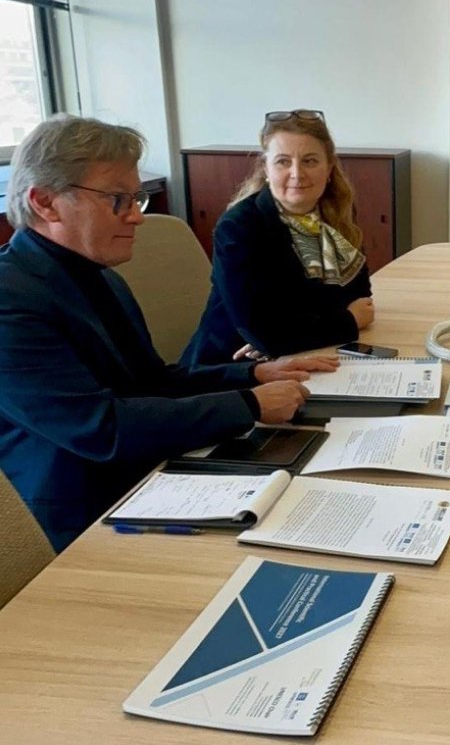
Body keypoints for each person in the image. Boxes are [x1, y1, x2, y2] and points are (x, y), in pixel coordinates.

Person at [0, 115, 340, 552]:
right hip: (81, 517)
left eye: (136, 198)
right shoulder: (10, 302)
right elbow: (103, 429)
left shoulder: (97, 275)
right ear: (45, 203)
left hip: (149, 475)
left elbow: (152, 383)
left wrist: (254, 376)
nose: (136, 218)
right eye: (117, 200)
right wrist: (247, 404)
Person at [182, 109, 374, 366]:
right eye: (283, 161)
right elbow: (267, 334)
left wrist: (288, 337)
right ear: (266, 168)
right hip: (229, 368)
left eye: (310, 161)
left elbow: (360, 299)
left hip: (307, 355)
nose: (297, 174)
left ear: (329, 168)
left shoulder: (333, 215)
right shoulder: (239, 227)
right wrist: (345, 321)